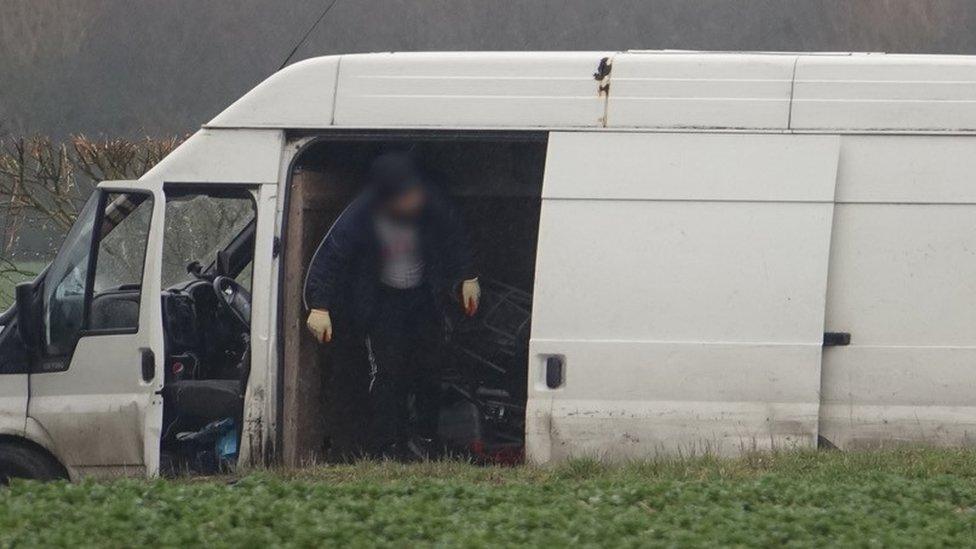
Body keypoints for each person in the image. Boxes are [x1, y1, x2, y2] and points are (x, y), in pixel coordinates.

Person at [303, 151, 480, 459]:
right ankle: (388, 445)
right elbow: (331, 256)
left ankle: (427, 439)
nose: (414, 200)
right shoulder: (362, 213)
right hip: (383, 301)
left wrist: (468, 276)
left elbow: (455, 236)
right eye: (406, 196)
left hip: (423, 297)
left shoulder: (430, 203)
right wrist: (319, 306)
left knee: (429, 368)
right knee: (388, 374)